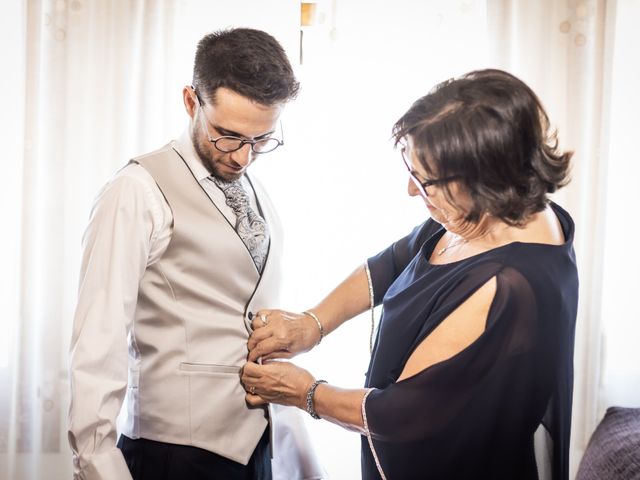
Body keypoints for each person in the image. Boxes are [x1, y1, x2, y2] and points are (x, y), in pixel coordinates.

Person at [242, 69, 579, 479]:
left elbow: (399, 414)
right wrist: (312, 324)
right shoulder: (482, 212)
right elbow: (391, 264)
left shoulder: (506, 287)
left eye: (423, 181)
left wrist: (305, 393)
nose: (409, 190)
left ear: (482, 181)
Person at [67, 28, 320, 480]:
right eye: (229, 135)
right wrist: (99, 468)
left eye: (261, 140)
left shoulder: (255, 191)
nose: (244, 157)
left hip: (255, 454)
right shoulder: (136, 189)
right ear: (190, 101)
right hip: (172, 456)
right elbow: (97, 343)